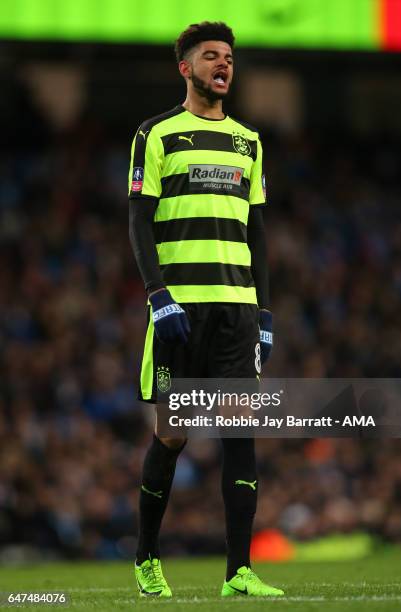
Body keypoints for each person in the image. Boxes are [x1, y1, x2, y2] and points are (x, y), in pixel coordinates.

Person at [128, 21, 283, 599]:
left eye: (229, 58)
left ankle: (239, 572)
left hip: (236, 313)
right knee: (174, 435)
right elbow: (139, 221)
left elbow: (259, 233)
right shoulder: (157, 135)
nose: (223, 65)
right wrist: (157, 294)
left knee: (241, 434)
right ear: (185, 68)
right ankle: (146, 559)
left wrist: (264, 314)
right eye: (210, 56)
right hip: (180, 312)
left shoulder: (250, 141)